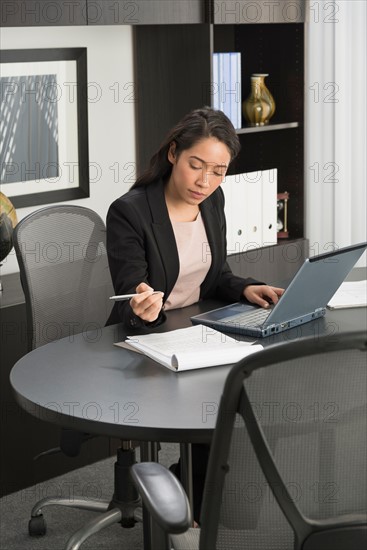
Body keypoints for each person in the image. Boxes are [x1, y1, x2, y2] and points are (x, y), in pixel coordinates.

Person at [106, 106, 284, 521]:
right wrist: (145, 306)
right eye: (196, 165)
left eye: (218, 170)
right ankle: (192, 504)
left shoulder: (212, 200)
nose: (205, 181)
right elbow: (131, 291)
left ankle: (205, 500)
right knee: (218, 405)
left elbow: (214, 273)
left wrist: (244, 286)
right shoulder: (130, 211)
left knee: (249, 392)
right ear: (173, 155)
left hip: (197, 332)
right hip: (142, 344)